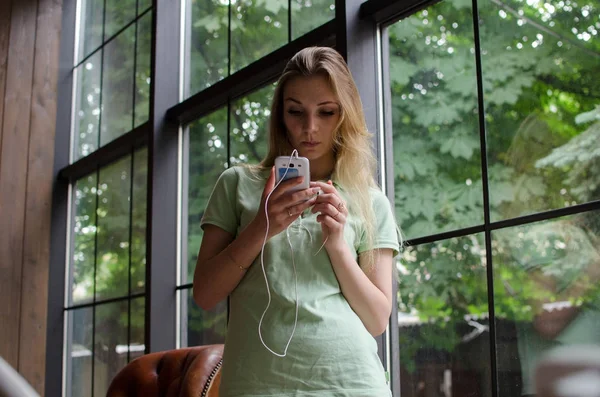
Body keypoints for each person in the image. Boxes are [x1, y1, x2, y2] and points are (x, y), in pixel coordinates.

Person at [193, 46, 401, 396]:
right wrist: (263, 227)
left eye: (326, 112)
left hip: (351, 381)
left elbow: (378, 319)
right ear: (280, 116)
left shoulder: (370, 201)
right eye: (295, 112)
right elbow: (205, 293)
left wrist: (337, 245)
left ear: (345, 115)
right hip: (256, 384)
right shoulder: (237, 184)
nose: (309, 127)